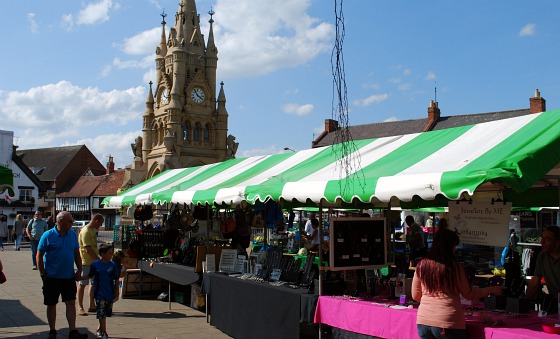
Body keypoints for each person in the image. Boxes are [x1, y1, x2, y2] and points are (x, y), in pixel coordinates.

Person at [412, 229, 503, 338]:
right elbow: (469, 294)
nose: (455, 249)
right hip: (448, 322)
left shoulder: (422, 265)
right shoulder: (454, 266)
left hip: (424, 321)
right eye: (453, 246)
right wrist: (492, 289)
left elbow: (416, 296)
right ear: (448, 247)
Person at [37, 211, 88, 339]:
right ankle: (52, 331)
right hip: (52, 277)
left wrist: (79, 269)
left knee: (71, 302)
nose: (72, 224)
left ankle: (73, 331)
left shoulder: (72, 234)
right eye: (70, 221)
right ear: (60, 221)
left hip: (68, 276)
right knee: (52, 303)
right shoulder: (47, 235)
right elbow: (39, 255)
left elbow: (76, 253)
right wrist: (42, 273)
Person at [81, 244, 120, 339]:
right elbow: (90, 275)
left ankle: (99, 329)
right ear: (102, 254)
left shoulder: (113, 265)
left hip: (109, 292)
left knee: (105, 313)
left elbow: (116, 279)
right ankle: (104, 332)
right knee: (101, 313)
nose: (111, 255)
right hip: (99, 293)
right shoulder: (95, 264)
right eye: (109, 253)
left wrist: (117, 291)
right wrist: (79, 277)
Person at [525, 225, 560, 314]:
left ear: (557, 242)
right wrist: (524, 302)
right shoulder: (542, 256)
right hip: (555, 301)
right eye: (542, 238)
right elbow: (535, 281)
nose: (542, 242)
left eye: (547, 239)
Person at [78, 213, 104, 316]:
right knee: (82, 284)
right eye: (100, 223)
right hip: (86, 262)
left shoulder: (93, 230)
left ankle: (92, 305)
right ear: (96, 221)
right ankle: (80, 307)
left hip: (93, 262)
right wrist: (98, 259)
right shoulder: (86, 231)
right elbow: (88, 249)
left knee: (93, 284)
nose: (100, 226)